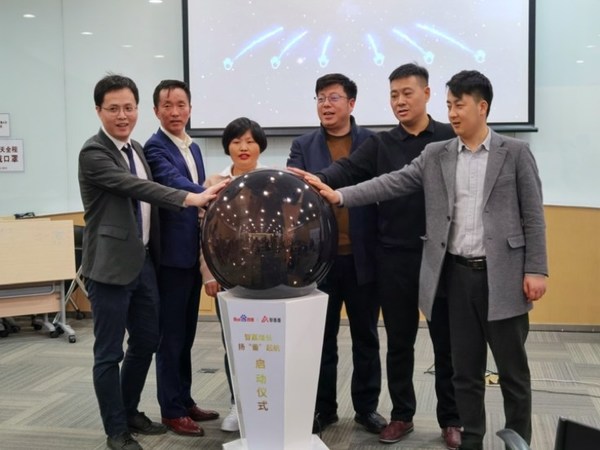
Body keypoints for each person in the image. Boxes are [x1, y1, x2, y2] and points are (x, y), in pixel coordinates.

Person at [305, 70, 548, 450]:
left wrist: (536, 268)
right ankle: (465, 437)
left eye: (459, 105)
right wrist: (339, 196)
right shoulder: (437, 154)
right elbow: (391, 182)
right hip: (440, 269)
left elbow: (533, 215)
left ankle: (513, 439)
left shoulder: (514, 153)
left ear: (482, 107)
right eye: (449, 105)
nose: (452, 113)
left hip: (496, 273)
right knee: (460, 366)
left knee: (508, 369)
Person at [291, 63, 461, 448]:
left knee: (445, 341)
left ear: (427, 94)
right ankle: (402, 415)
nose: (399, 101)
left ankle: (452, 418)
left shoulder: (448, 138)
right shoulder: (381, 144)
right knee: (398, 341)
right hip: (393, 256)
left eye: (407, 93)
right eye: (393, 95)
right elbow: (347, 169)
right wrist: (320, 180)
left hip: (439, 256)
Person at [78, 74, 226, 450]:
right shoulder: (94, 153)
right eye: (113, 108)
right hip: (109, 267)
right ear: (98, 111)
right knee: (109, 353)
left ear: (138, 110)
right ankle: (116, 430)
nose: (122, 115)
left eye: (128, 107)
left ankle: (130, 410)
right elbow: (136, 186)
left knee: (147, 341)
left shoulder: (137, 150)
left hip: (144, 262)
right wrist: (190, 198)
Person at [287, 73, 386, 435]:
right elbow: (296, 195)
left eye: (333, 98)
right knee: (320, 338)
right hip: (319, 260)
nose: (325, 105)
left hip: (363, 256)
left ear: (351, 103)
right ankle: (323, 408)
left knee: (366, 337)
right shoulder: (303, 145)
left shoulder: (373, 143)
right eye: (320, 98)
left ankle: (366, 408)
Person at [143, 79, 219, 437]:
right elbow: (173, 183)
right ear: (156, 110)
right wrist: (210, 192)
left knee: (186, 335)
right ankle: (171, 410)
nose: (175, 112)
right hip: (170, 258)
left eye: (181, 104)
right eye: (167, 105)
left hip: (190, 253)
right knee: (170, 338)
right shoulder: (154, 148)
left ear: (190, 108)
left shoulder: (193, 146)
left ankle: (184, 400)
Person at [200, 116, 268, 432]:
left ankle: (267, 404)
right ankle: (237, 405)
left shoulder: (273, 180)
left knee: (266, 342)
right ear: (227, 146)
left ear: (260, 146)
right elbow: (205, 234)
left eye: (250, 141)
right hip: (226, 276)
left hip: (266, 277)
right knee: (235, 343)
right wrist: (209, 274)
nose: (243, 147)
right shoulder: (214, 183)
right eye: (237, 141)